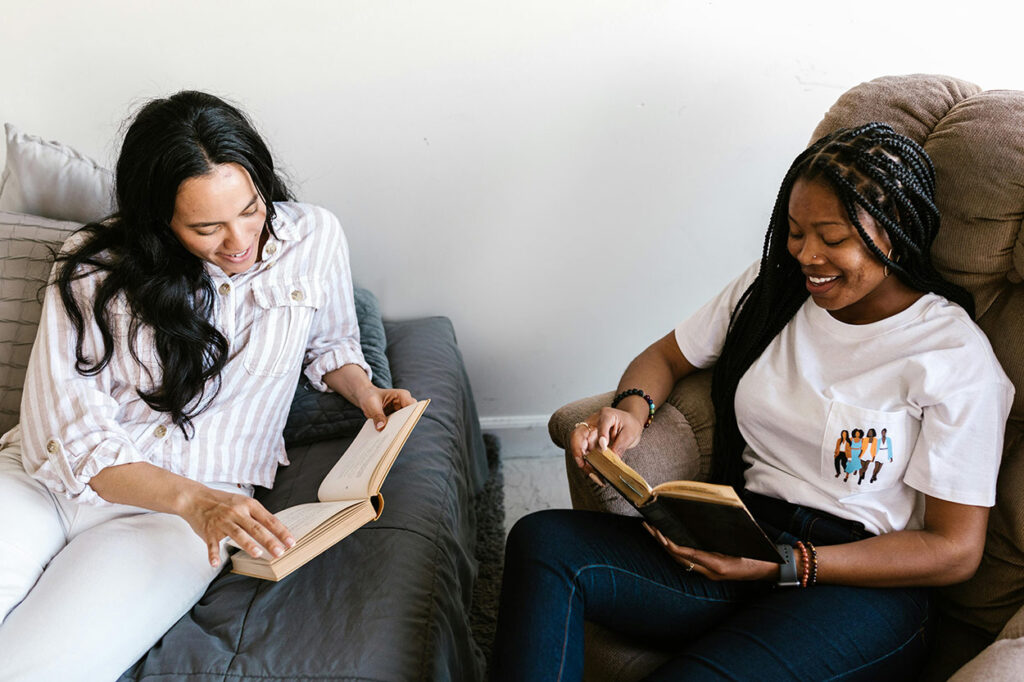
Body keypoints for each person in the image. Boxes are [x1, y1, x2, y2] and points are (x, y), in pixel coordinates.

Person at [491, 123, 1013, 680]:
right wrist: (630, 409)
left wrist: (786, 566)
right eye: (794, 232)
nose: (807, 255)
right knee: (543, 542)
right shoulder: (773, 291)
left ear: (894, 231)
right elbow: (666, 358)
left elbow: (954, 550)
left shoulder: (952, 356)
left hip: (862, 583)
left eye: (832, 237)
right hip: (742, 533)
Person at [0, 91, 414, 680]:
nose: (239, 240)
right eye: (206, 227)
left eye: (250, 208)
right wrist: (196, 501)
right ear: (159, 220)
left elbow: (330, 342)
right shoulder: (92, 264)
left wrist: (363, 391)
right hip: (47, 483)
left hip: (174, 524)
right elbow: (67, 429)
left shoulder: (314, 237)